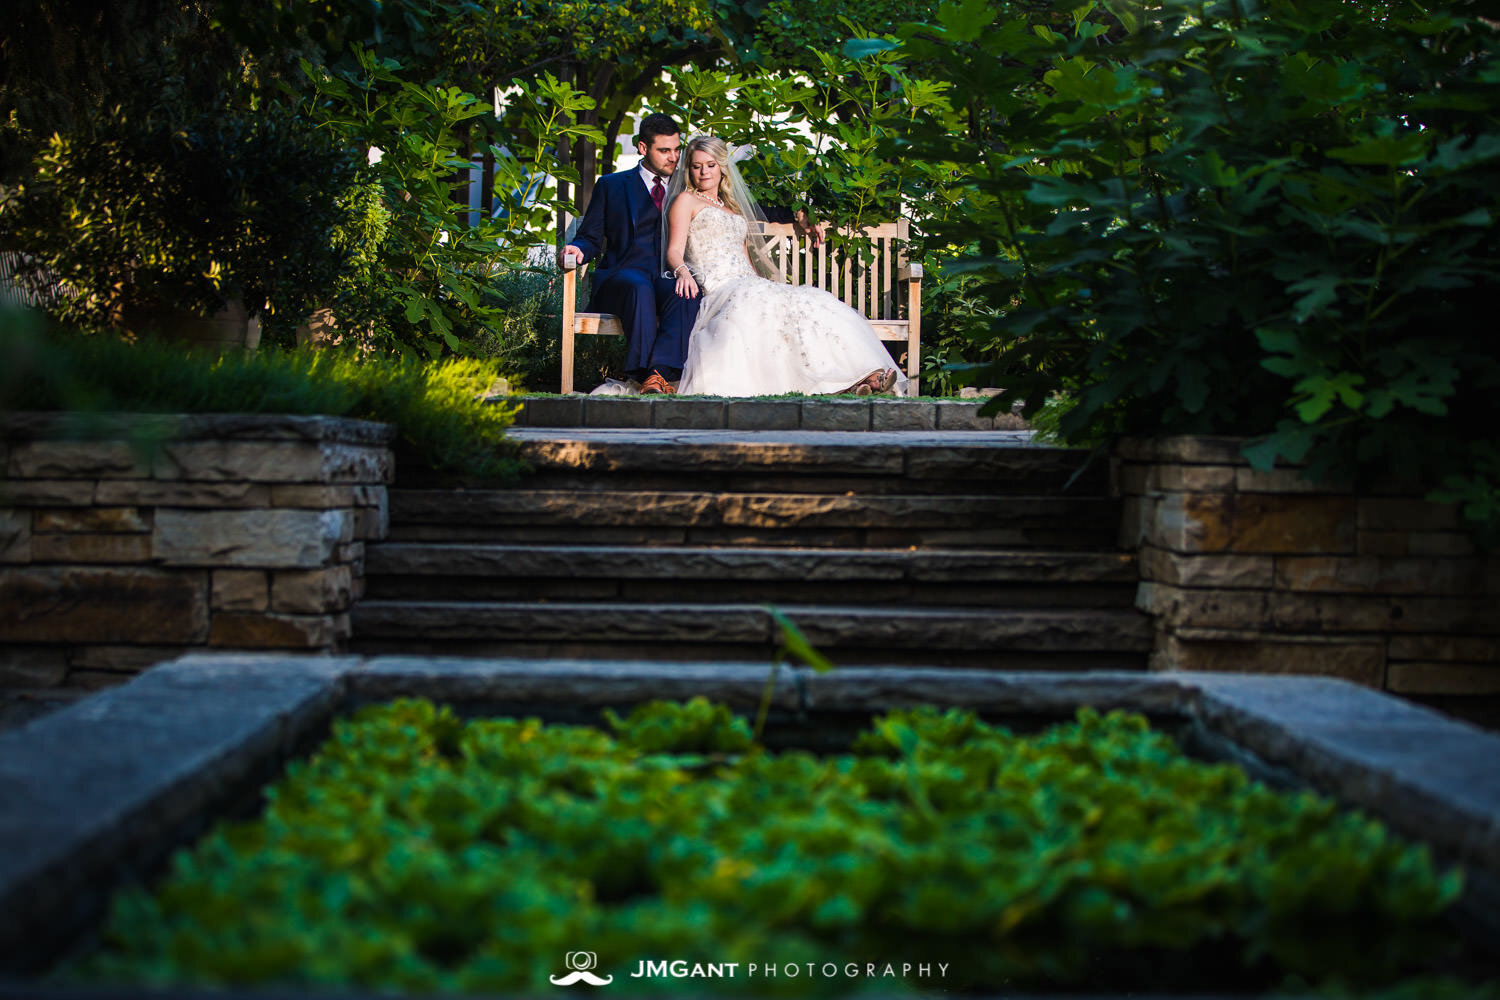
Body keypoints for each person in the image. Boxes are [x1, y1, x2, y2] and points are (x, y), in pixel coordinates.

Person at [664, 135, 906, 398]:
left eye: (710, 165)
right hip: (719, 287)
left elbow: (744, 257)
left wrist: (761, 283)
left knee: (812, 301)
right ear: (689, 169)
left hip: (747, 282)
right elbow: (674, 250)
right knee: (763, 308)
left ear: (722, 167)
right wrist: (682, 271)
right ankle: (855, 381)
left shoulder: (733, 208)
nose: (704, 172)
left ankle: (861, 377)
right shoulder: (686, 200)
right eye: (697, 166)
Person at [563, 113, 695, 395]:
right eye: (664, 150)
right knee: (638, 286)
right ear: (642, 148)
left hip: (664, 278)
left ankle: (657, 375)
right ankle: (643, 373)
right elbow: (590, 237)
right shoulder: (612, 186)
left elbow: (732, 203)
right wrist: (578, 249)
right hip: (622, 279)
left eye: (676, 149)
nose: (673, 157)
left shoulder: (686, 187)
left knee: (685, 292)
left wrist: (800, 215)